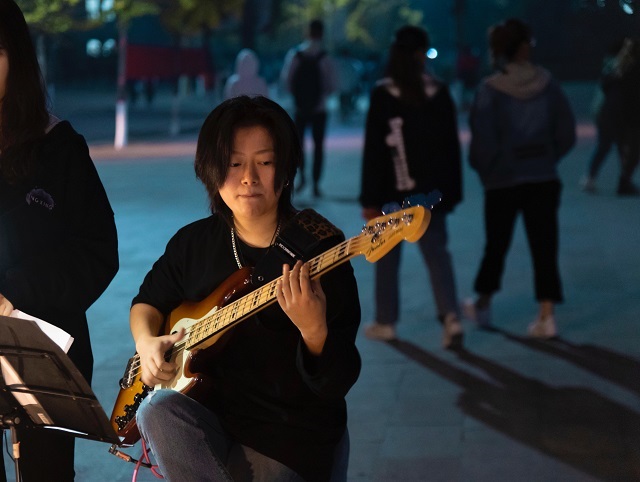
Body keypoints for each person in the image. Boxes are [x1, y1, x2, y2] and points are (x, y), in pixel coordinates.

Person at [130, 95, 361, 481]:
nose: (248, 178)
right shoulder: (194, 242)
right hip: (211, 413)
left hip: (290, 429)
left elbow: (338, 380)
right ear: (211, 171)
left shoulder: (321, 247)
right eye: (234, 164)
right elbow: (147, 303)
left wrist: (313, 330)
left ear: (285, 170)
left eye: (265, 162)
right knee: (154, 410)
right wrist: (145, 341)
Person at [0, 0, 119, 480]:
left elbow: (97, 251)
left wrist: (15, 293)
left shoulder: (58, 147)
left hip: (43, 355)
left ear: (17, 58)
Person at [464, 18, 576, 338]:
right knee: (545, 245)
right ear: (525, 47)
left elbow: (482, 141)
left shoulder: (490, 91)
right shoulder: (548, 84)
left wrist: (489, 169)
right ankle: (546, 314)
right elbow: (565, 132)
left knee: (496, 245)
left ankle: (483, 304)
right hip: (542, 175)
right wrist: (547, 157)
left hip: (503, 180)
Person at [359, 25, 464, 350]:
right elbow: (450, 149)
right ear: (421, 55)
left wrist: (369, 200)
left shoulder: (383, 94)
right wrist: (451, 192)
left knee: (387, 257)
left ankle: (386, 321)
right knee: (437, 257)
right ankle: (451, 317)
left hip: (391, 196)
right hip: (430, 195)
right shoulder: (439, 93)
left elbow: (375, 153)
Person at [281, 19, 337, 197]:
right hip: (319, 109)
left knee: (299, 145)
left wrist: (298, 98)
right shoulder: (324, 57)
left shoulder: (295, 55)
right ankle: (316, 184)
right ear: (321, 33)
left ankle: (302, 177)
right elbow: (331, 85)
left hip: (299, 108)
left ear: (307, 32)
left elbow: (287, 81)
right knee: (318, 146)